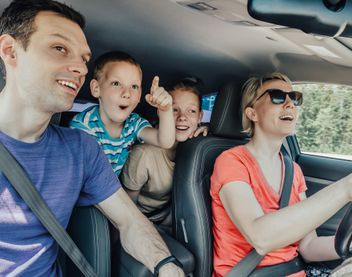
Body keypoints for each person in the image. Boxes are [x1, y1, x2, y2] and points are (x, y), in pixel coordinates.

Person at [0, 1, 183, 276]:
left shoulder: (81, 149)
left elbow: (131, 222)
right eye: (60, 48)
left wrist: (167, 266)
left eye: (84, 59)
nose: (80, 68)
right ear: (10, 51)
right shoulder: (87, 129)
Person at [210, 72, 352, 277]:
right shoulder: (231, 161)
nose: (290, 104)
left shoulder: (293, 170)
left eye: (295, 97)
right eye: (277, 96)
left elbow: (308, 246)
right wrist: (346, 188)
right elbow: (260, 238)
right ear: (252, 113)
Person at [69, 51, 175, 175]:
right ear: (96, 88)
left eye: (134, 86)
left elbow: (164, 141)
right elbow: (85, 176)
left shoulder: (133, 123)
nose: (127, 93)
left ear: (140, 94)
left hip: (112, 189)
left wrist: (165, 110)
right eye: (116, 83)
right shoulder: (84, 126)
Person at [121, 81, 207, 226]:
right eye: (174, 110)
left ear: (200, 116)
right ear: (162, 111)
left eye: (191, 111)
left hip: (176, 221)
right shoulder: (144, 154)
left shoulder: (203, 150)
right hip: (141, 220)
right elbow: (126, 212)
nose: (182, 117)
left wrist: (208, 135)